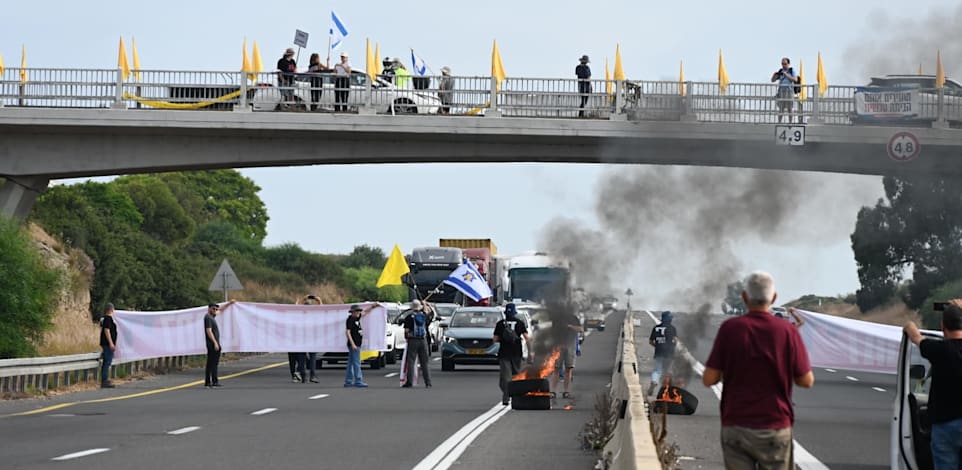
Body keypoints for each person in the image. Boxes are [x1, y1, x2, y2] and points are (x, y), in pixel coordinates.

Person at [704, 271, 814, 470]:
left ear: (744, 298)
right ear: (773, 298)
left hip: (736, 425)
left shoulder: (730, 329)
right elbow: (806, 381)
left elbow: (709, 378)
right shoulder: (787, 331)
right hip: (775, 426)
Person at [904, 301, 962, 470]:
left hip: (945, 427)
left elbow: (915, 336)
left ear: (943, 326)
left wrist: (909, 325)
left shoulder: (938, 349)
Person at [494, 303, 532, 405]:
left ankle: (506, 397)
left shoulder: (500, 324)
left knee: (505, 377)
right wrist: (530, 353)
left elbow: (495, 339)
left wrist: (503, 338)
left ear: (505, 312)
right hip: (516, 353)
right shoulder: (520, 323)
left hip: (504, 353)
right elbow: (527, 339)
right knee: (516, 376)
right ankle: (517, 396)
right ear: (515, 313)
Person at [550, 305, 583, 399]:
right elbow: (553, 332)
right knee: (556, 368)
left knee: (568, 368)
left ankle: (566, 391)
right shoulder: (556, 319)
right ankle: (553, 391)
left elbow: (581, 329)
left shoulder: (574, 318)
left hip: (570, 345)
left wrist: (570, 326)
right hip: (558, 345)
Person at [345, 302, 378, 387]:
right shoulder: (350, 320)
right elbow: (347, 332)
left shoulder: (356, 318)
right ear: (352, 312)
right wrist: (352, 344)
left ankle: (348, 381)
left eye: (358, 311)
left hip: (357, 343)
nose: (358, 313)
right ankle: (358, 380)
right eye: (356, 311)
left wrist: (372, 307)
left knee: (351, 363)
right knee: (356, 362)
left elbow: (365, 312)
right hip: (354, 344)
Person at [402, 300, 433, 388]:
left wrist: (407, 338)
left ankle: (410, 382)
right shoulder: (423, 316)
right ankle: (428, 382)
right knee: (424, 362)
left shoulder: (409, 317)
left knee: (411, 361)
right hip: (423, 340)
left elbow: (406, 331)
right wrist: (426, 304)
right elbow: (430, 314)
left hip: (413, 340)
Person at [648, 310, 678, 396]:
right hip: (669, 352)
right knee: (668, 370)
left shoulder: (656, 328)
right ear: (669, 319)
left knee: (657, 370)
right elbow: (675, 340)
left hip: (658, 351)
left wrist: (657, 346)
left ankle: (654, 381)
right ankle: (668, 389)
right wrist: (672, 346)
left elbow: (650, 341)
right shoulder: (672, 328)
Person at [770, 57, 798, 124]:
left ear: (788, 64)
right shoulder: (780, 71)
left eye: (785, 64)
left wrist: (787, 75)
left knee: (789, 108)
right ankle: (779, 122)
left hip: (789, 92)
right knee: (781, 109)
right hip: (781, 92)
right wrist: (774, 75)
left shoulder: (791, 70)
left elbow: (795, 79)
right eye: (782, 64)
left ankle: (790, 123)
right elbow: (772, 80)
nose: (784, 65)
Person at [204, 303, 223, 388]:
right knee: (212, 363)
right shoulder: (208, 318)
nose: (215, 311)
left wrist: (229, 304)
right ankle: (212, 381)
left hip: (214, 343)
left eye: (216, 309)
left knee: (212, 363)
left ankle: (210, 381)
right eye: (213, 309)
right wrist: (215, 342)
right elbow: (209, 331)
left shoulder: (212, 317)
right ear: (209, 309)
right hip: (212, 344)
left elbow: (221, 311)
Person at [99, 303, 118, 388]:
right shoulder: (108, 319)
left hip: (106, 343)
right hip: (107, 344)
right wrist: (111, 343)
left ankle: (105, 379)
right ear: (111, 310)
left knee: (107, 361)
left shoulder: (105, 319)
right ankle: (104, 381)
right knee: (107, 362)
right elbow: (107, 331)